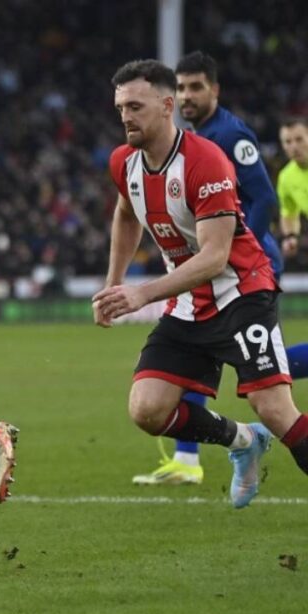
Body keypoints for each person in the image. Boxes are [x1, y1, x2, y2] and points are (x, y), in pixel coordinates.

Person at [95, 59, 308, 509]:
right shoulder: (124, 163)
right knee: (147, 410)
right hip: (190, 301)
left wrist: (141, 292)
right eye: (120, 108)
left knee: (275, 409)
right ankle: (243, 442)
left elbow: (215, 257)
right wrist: (114, 285)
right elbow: (126, 213)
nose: (125, 117)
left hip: (242, 292)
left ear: (167, 105)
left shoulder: (206, 161)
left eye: (135, 106)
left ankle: (261, 428)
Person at [278, 118, 308, 261]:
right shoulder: (286, 177)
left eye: (299, 139)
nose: (294, 147)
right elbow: (289, 212)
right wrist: (291, 236)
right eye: (288, 142)